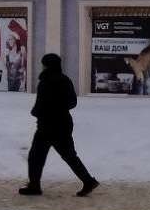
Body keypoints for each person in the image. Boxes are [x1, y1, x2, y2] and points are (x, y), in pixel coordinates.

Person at [19, 53, 99, 197]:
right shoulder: (65, 80)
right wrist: (60, 108)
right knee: (69, 156)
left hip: (47, 126)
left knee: (35, 156)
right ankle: (88, 181)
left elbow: (40, 104)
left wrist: (37, 112)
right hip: (63, 124)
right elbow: (73, 102)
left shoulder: (45, 81)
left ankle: (34, 186)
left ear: (47, 65)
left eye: (44, 64)